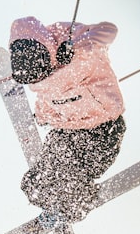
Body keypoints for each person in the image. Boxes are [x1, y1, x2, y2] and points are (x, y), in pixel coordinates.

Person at [9, 16, 126, 221]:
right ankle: (58, 206)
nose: (36, 81)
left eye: (37, 75)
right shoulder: (43, 82)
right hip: (66, 131)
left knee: (71, 175)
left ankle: (74, 202)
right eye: (31, 80)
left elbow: (110, 30)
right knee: (35, 184)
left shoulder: (70, 41)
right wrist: (41, 116)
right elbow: (48, 100)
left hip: (103, 130)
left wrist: (75, 45)